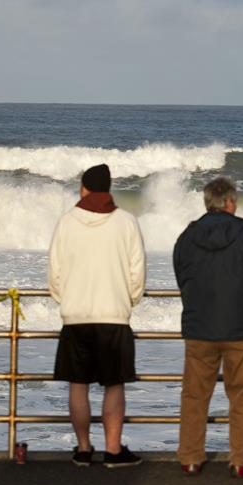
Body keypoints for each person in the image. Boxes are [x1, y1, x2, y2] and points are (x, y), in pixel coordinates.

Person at [173, 177, 243, 479]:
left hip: (199, 326)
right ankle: (241, 460)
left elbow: (181, 276)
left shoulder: (187, 237)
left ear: (208, 202)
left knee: (194, 395)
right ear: (230, 202)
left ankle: (191, 458)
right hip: (240, 327)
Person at [48, 163, 146, 468]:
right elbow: (137, 274)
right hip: (114, 315)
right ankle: (114, 450)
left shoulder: (66, 222)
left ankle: (83, 448)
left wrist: (68, 300)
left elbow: (55, 274)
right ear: (109, 189)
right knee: (114, 385)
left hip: (76, 316)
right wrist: (127, 302)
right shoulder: (126, 222)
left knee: (78, 385)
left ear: (84, 189)